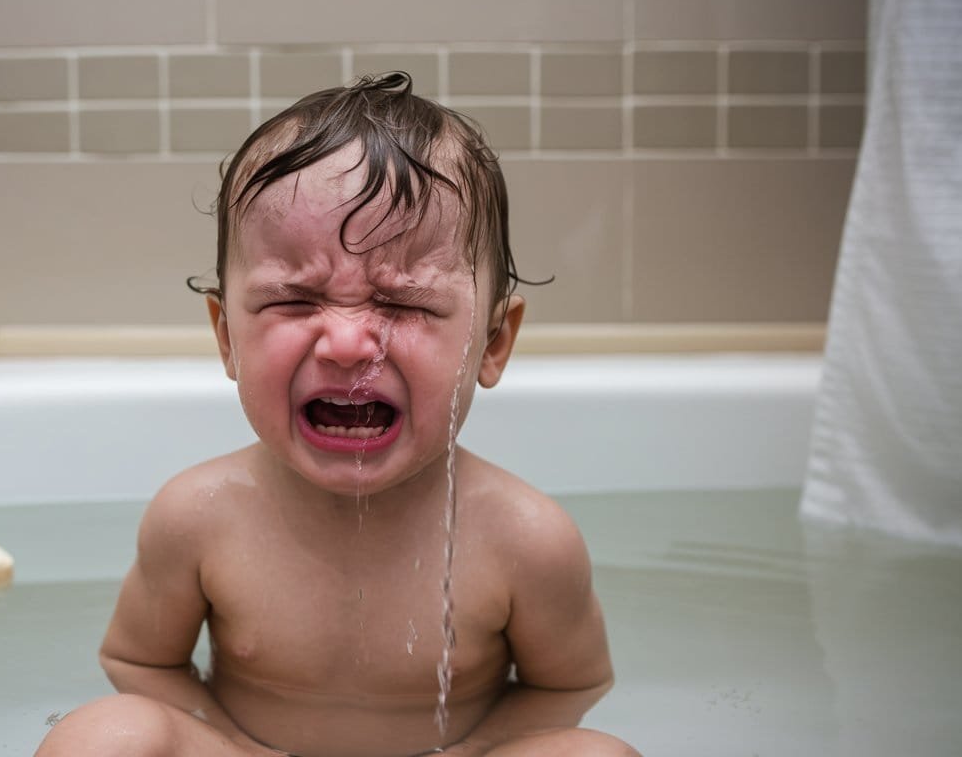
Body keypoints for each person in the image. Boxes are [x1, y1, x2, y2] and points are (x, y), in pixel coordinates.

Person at [36, 73, 637, 756]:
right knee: (100, 738)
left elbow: (566, 689)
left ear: (494, 342)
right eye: (293, 300)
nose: (349, 343)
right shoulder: (199, 515)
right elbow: (141, 664)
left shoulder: (525, 539)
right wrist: (238, 746)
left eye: (405, 304)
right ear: (227, 336)